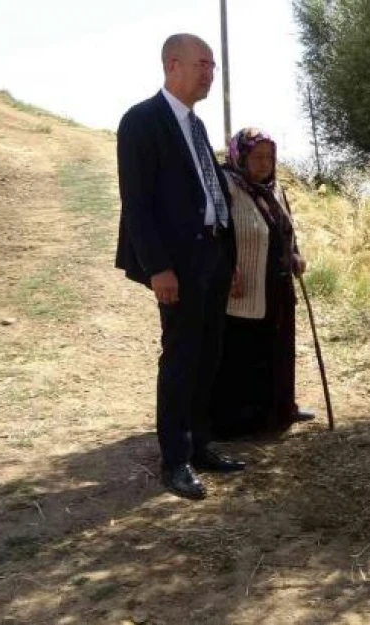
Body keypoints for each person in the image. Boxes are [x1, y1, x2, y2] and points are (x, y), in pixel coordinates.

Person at [115, 33, 246, 501]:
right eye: (203, 63)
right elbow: (138, 205)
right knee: (181, 358)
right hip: (177, 265)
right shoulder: (141, 122)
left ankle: (201, 444)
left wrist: (228, 259)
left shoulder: (196, 124)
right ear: (173, 64)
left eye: (212, 65)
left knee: (209, 354)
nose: (210, 72)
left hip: (211, 257)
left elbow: (210, 195)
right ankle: (176, 460)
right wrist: (158, 268)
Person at [208, 128, 315, 441]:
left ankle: (281, 410)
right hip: (243, 284)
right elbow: (215, 233)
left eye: (269, 157)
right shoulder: (226, 184)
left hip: (277, 283)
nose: (264, 163)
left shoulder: (275, 188)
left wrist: (295, 254)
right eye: (257, 157)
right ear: (240, 155)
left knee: (279, 348)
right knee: (242, 352)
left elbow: (285, 228)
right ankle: (237, 423)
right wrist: (226, 270)